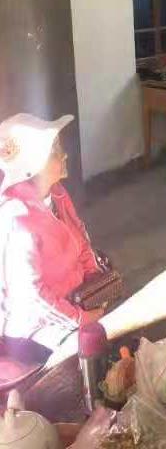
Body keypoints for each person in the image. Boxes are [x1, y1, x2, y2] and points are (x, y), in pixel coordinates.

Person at [0, 114, 103, 361]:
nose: (64, 155)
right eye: (54, 151)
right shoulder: (17, 218)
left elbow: (82, 241)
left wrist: (96, 283)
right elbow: (32, 299)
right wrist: (81, 318)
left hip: (73, 301)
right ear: (34, 165)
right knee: (95, 349)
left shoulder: (57, 194)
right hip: (33, 330)